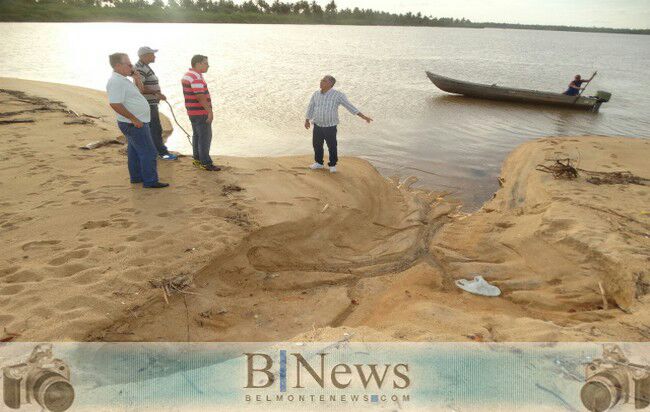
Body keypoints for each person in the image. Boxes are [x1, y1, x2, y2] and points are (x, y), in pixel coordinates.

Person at [106, 52, 169, 188]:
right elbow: (115, 104)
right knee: (149, 152)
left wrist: (136, 77)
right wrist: (133, 119)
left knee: (134, 151)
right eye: (129, 64)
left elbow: (139, 91)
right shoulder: (116, 81)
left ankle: (136, 178)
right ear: (118, 65)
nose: (132, 66)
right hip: (133, 123)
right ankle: (150, 181)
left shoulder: (123, 79)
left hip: (134, 122)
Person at [304, 75, 372, 173]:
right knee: (317, 145)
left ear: (330, 84)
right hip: (317, 125)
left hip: (330, 126)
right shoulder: (316, 94)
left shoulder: (338, 95)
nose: (321, 82)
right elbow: (310, 107)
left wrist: (363, 116)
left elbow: (349, 106)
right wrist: (307, 120)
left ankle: (332, 164)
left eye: (324, 81)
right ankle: (318, 163)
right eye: (321, 80)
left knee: (332, 146)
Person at [135, 46, 177, 160]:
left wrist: (156, 94)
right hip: (147, 104)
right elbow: (140, 88)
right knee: (155, 129)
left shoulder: (144, 67)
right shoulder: (139, 68)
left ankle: (155, 151)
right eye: (152, 54)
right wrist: (156, 93)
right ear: (144, 56)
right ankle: (162, 153)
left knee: (152, 129)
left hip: (150, 103)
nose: (154, 56)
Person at [181, 55, 220, 171]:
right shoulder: (195, 77)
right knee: (205, 137)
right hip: (199, 112)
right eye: (206, 63)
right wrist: (209, 111)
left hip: (192, 111)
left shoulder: (189, 75)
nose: (208, 65)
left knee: (197, 135)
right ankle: (205, 163)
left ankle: (197, 159)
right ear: (198, 64)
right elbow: (200, 96)